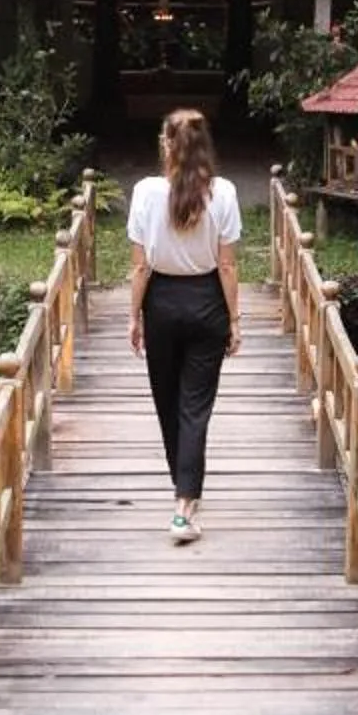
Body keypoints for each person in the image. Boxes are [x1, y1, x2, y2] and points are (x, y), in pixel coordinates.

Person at [126, 108, 242, 543]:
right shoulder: (224, 193)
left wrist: (134, 317)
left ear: (167, 145)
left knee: (168, 402)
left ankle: (183, 497)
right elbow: (228, 266)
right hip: (207, 303)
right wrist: (235, 320)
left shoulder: (144, 192)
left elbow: (139, 269)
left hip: (162, 304)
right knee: (195, 408)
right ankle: (185, 496)